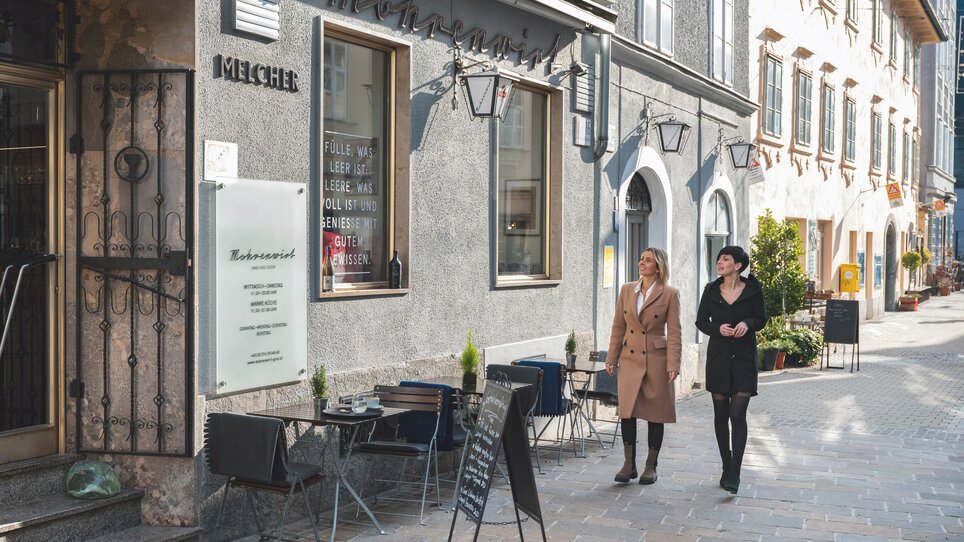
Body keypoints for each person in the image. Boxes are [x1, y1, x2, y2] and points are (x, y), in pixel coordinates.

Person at [605, 247, 681, 485]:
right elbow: (618, 326)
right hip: (629, 358)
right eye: (641, 259)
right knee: (627, 412)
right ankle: (629, 465)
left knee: (654, 414)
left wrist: (673, 364)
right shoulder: (627, 289)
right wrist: (611, 357)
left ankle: (651, 465)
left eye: (648, 260)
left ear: (658, 267)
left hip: (656, 360)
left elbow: (676, 332)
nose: (642, 263)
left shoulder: (669, 293)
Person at [695, 245, 767, 494]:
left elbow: (761, 319)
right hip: (719, 358)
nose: (719, 262)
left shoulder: (753, 290)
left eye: (725, 259)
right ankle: (726, 463)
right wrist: (718, 330)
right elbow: (701, 321)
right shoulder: (711, 290)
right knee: (720, 415)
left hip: (745, 358)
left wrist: (748, 323)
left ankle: (735, 471)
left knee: (738, 415)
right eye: (718, 259)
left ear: (738, 265)